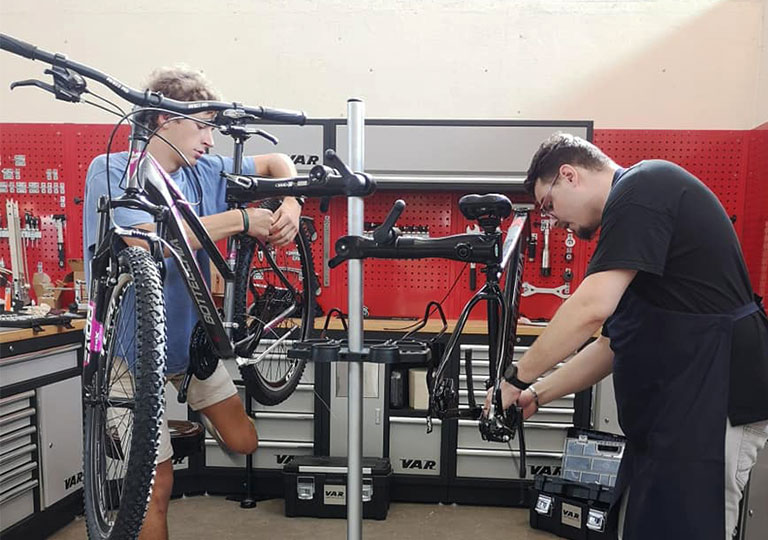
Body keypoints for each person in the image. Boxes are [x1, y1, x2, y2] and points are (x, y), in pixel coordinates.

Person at [486, 133, 768, 539]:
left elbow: (590, 309)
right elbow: (611, 345)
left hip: (716, 401)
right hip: (678, 412)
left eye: (548, 205)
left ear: (569, 175)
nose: (553, 219)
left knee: (693, 527)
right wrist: (537, 395)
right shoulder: (633, 225)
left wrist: (515, 379)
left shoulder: (643, 188)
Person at [83, 66, 302, 540]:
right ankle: (150, 440)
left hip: (187, 347)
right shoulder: (113, 171)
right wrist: (239, 219)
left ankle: (173, 428)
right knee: (155, 489)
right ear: (164, 118)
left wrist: (291, 204)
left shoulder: (205, 170)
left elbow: (277, 161)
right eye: (202, 124)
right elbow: (143, 242)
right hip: (127, 354)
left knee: (245, 441)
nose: (210, 137)